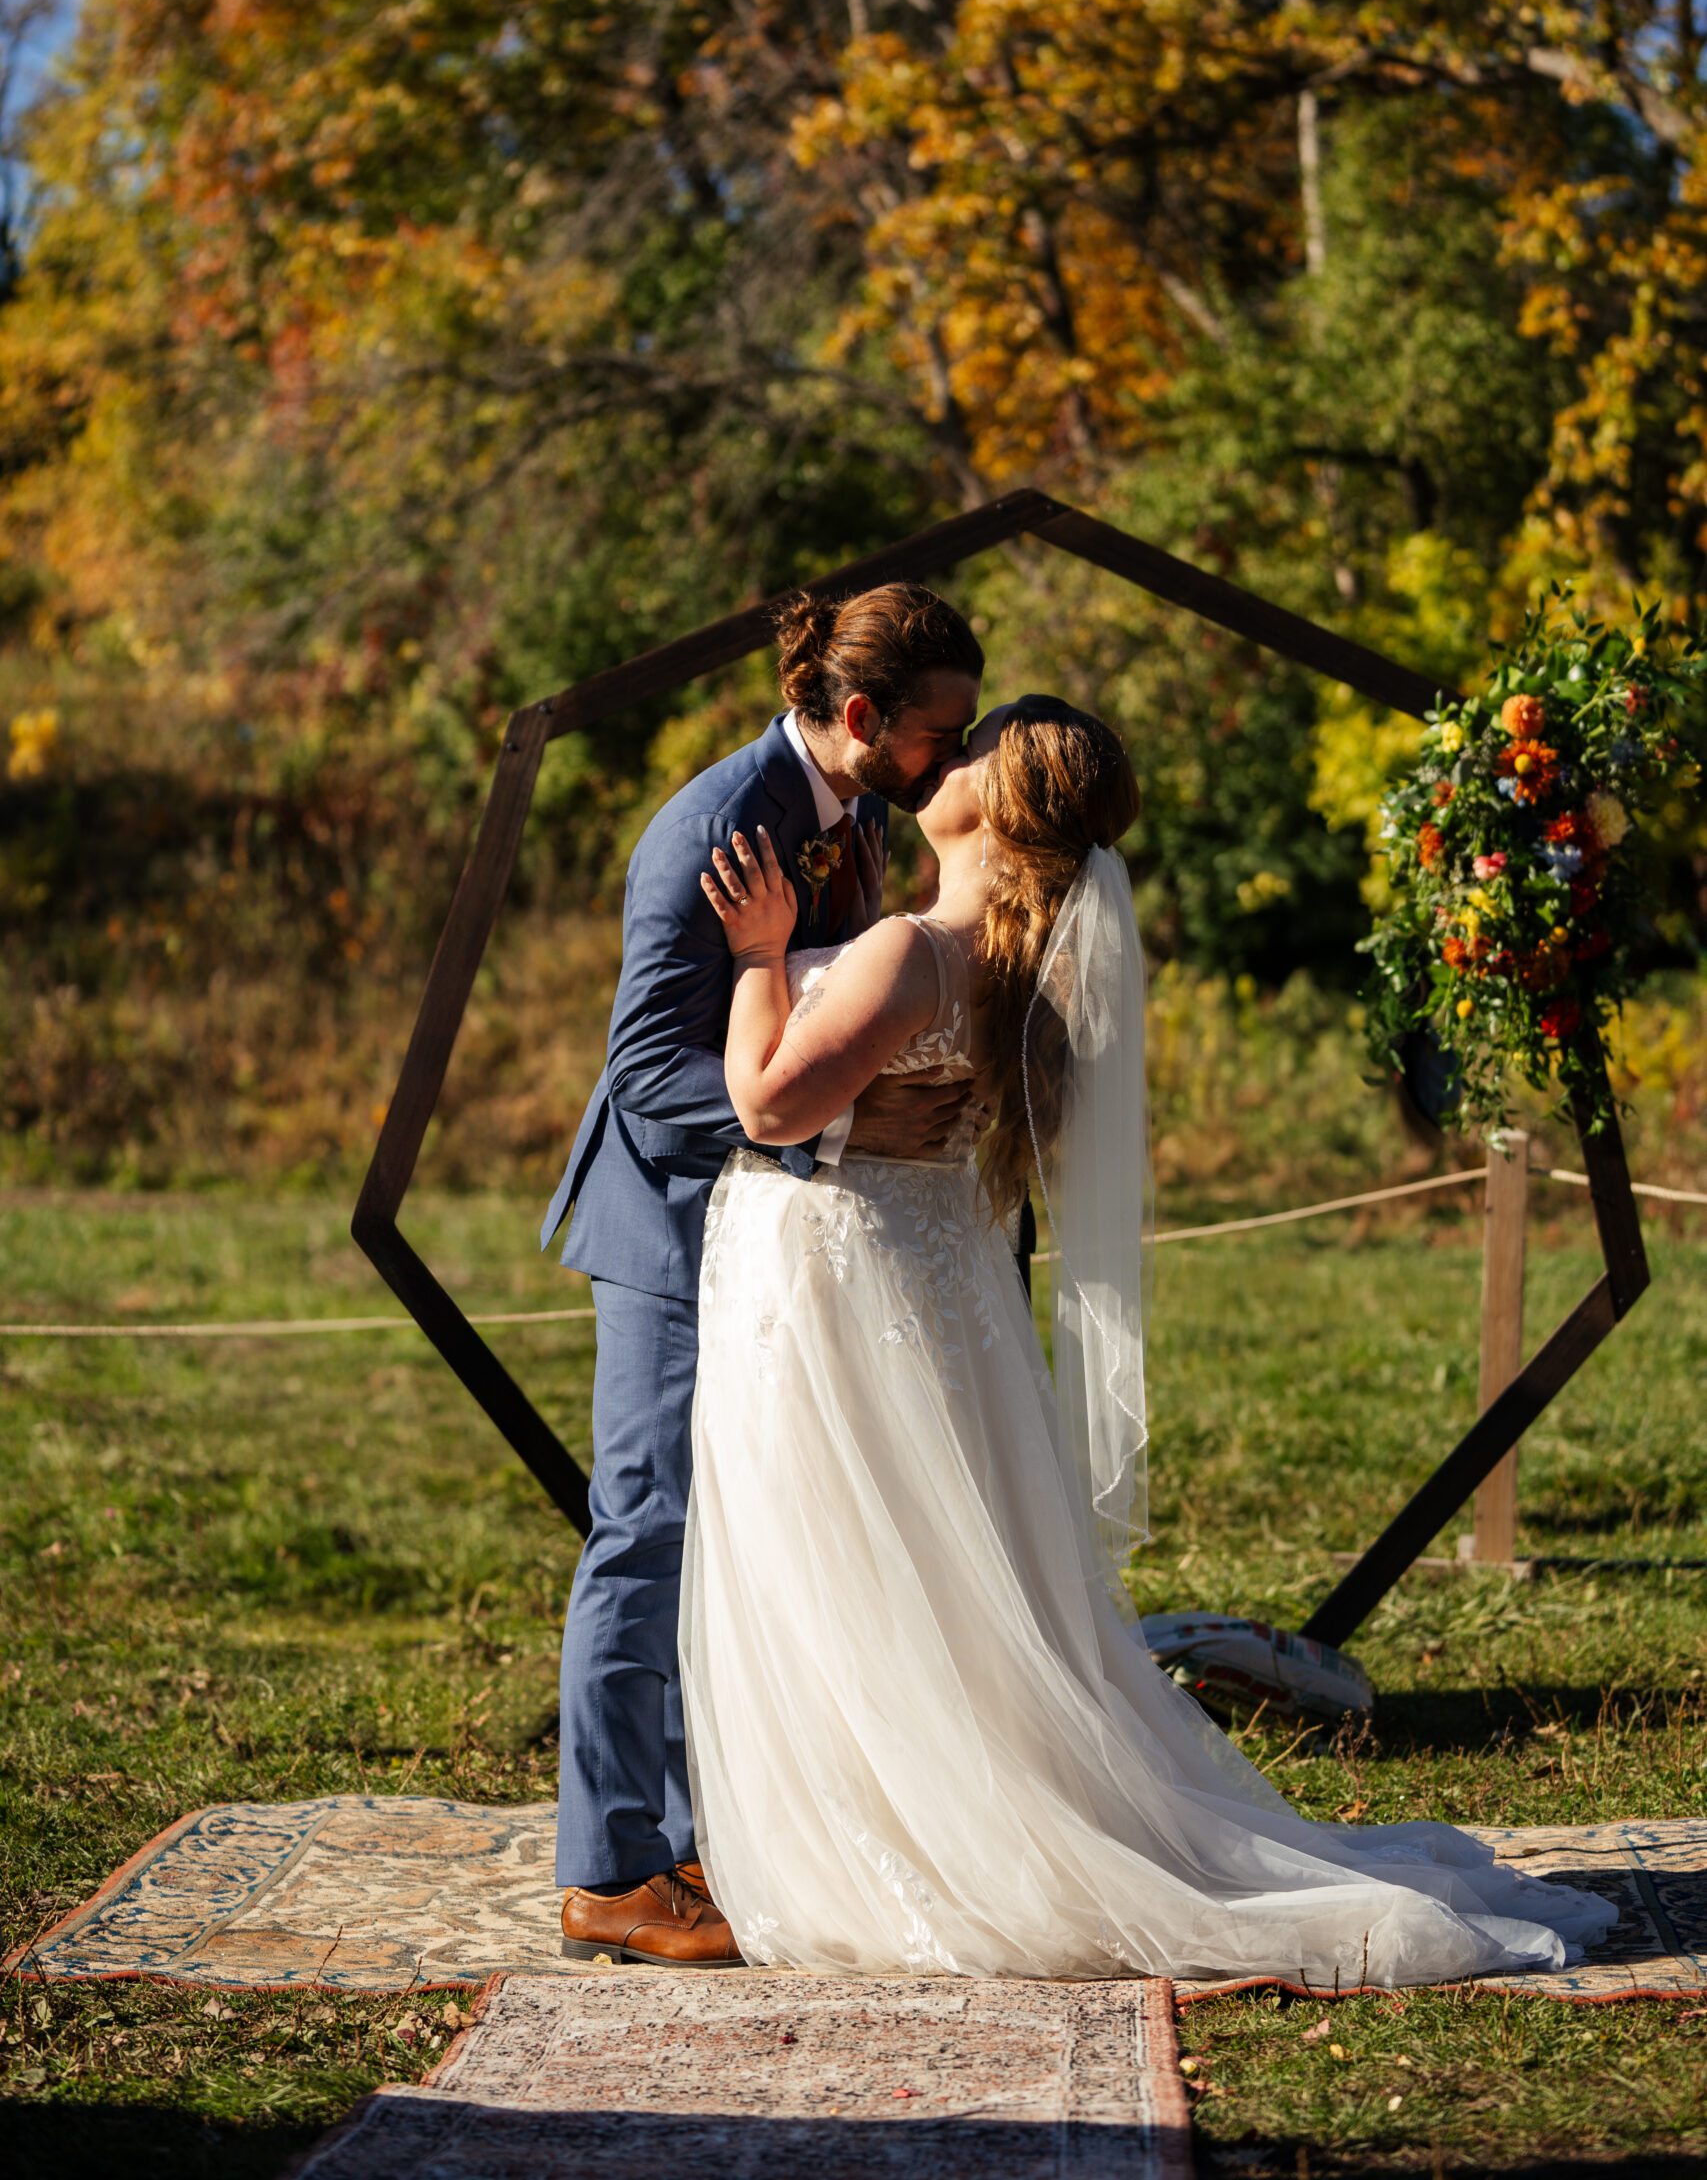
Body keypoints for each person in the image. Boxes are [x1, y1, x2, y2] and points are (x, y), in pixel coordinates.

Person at [682, 695, 1616, 1985]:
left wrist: (760, 954)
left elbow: (773, 1105)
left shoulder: (907, 952)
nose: (940, 760)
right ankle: (926, 1815)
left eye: (970, 751)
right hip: (921, 1283)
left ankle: (902, 1844)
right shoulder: (1006, 970)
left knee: (849, 1559)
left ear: (999, 811)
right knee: (917, 1570)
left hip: (838, 1288)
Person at [542, 581, 986, 1967]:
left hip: (769, 1230)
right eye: (938, 733)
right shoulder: (717, 826)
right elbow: (648, 1073)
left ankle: (699, 1841)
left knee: (729, 1538)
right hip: (673, 1231)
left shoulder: (851, 816)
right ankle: (611, 1870)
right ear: (860, 718)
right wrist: (822, 1108)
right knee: (650, 1527)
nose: (955, 759)